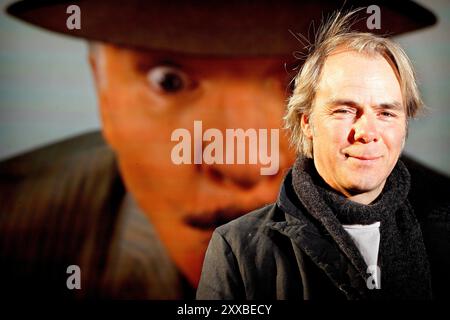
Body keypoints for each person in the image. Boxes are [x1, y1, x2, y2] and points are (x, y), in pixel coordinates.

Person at [0, 0, 443, 299]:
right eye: (168, 81)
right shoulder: (14, 226)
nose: (244, 163)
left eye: (291, 81)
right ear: (100, 84)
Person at [196, 10, 450, 300]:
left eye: (385, 112)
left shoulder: (443, 236)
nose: (366, 131)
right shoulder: (239, 250)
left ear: (405, 124)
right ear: (307, 122)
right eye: (344, 110)